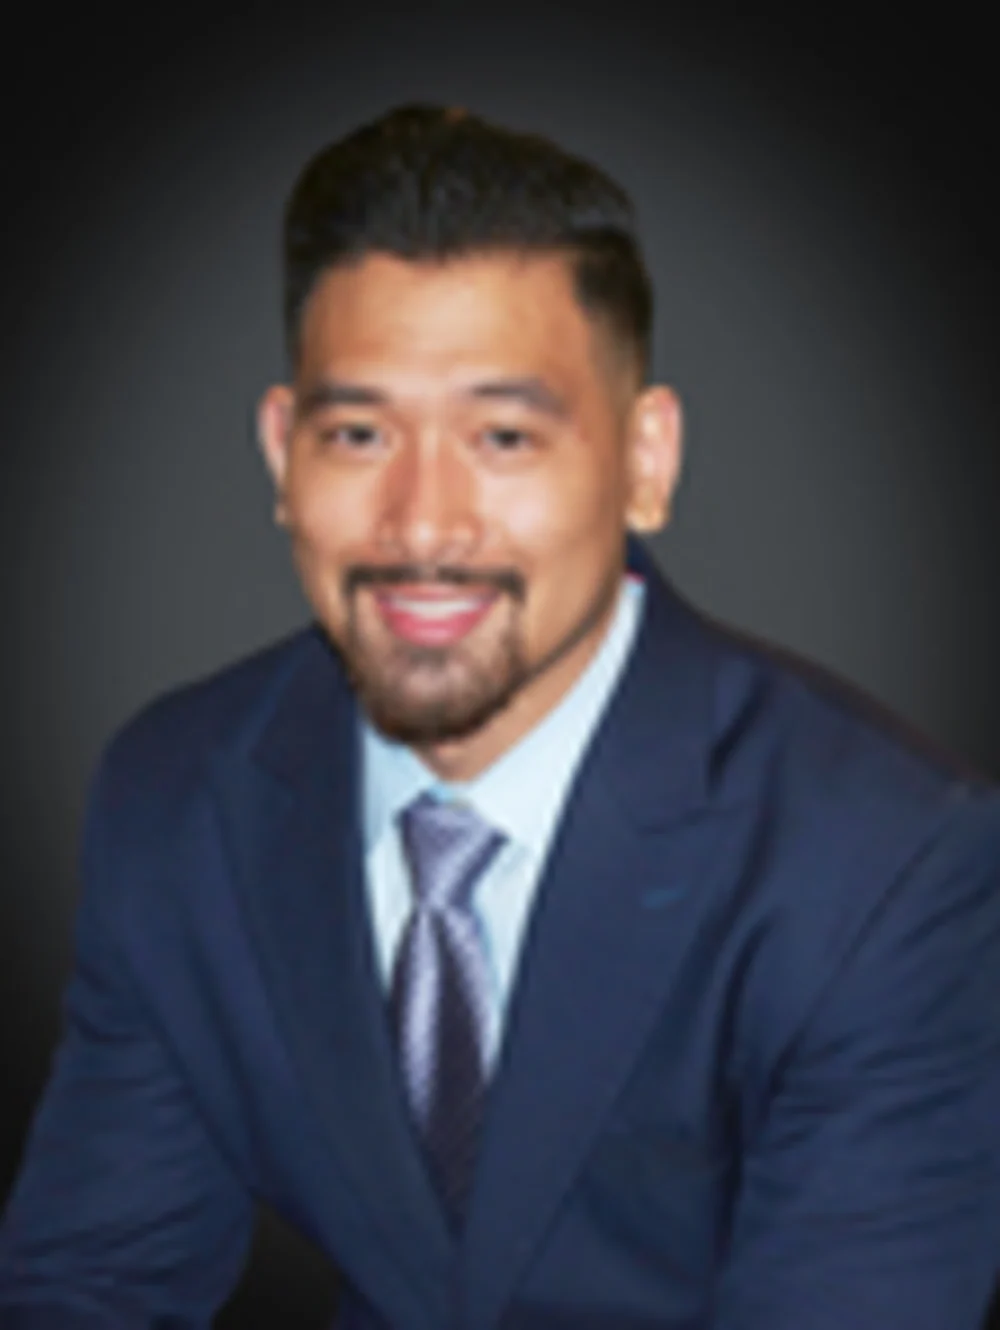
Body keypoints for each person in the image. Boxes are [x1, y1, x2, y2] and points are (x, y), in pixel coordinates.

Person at [1, 102, 998, 1330]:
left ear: (645, 461)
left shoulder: (885, 863)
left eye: (504, 436)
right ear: (280, 454)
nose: (423, 522)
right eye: (358, 433)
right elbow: (95, 1284)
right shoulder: (179, 796)